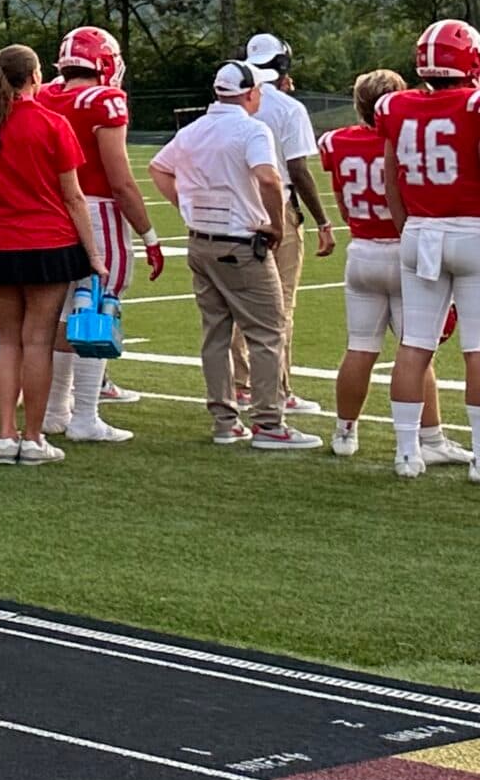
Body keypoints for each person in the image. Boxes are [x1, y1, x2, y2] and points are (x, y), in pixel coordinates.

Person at [147, 62, 317, 450]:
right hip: (240, 243)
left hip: (201, 240)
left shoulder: (193, 131)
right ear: (249, 93)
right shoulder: (252, 129)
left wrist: (188, 207)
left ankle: (224, 419)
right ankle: (269, 422)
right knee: (268, 331)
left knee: (216, 333)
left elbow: (160, 168)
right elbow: (269, 177)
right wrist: (276, 223)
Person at [0, 44, 104, 464]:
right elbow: (73, 196)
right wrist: (94, 253)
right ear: (35, 76)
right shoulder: (53, 124)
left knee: (10, 339)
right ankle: (32, 439)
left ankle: (5, 435)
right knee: (38, 341)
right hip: (48, 244)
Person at [318, 70, 465, 466]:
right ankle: (430, 438)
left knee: (360, 347)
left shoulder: (337, 142)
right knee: (417, 350)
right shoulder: (404, 138)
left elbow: (339, 193)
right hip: (405, 249)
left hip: (362, 249)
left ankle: (344, 431)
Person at [37, 26, 166, 443]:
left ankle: (56, 409)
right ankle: (85, 415)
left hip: (54, 212)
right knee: (97, 306)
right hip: (97, 210)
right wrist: (148, 234)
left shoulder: (45, 96)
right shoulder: (104, 101)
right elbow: (121, 180)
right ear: (106, 64)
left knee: (62, 313)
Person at [375, 19, 480, 482]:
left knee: (414, 345)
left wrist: (407, 230)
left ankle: (406, 453)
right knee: (477, 350)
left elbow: (391, 178)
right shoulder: (474, 104)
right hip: (472, 231)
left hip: (419, 231)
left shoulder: (395, 106)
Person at [236, 32, 336, 416]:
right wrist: (323, 220)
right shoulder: (288, 107)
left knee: (237, 303)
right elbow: (298, 168)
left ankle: (240, 386)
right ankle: (277, 389)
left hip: (236, 206)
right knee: (279, 306)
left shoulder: (234, 100)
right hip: (277, 206)